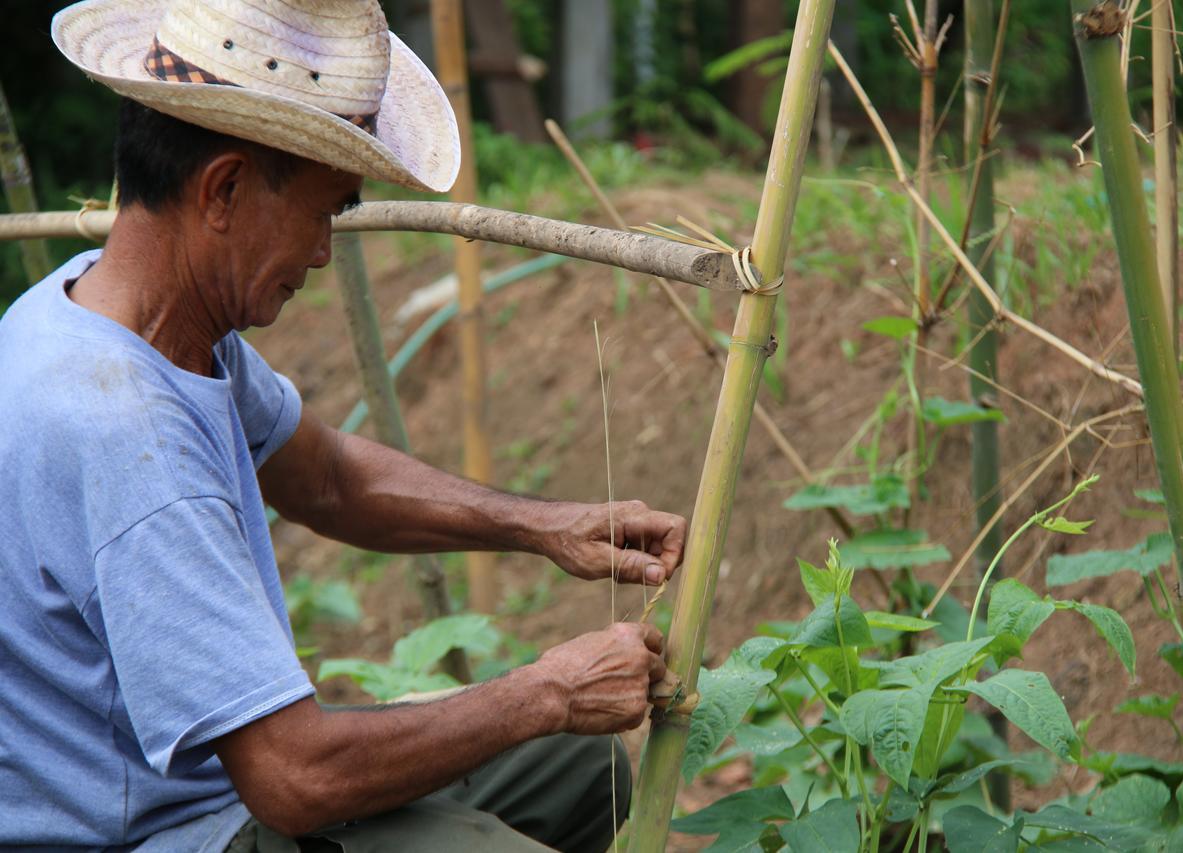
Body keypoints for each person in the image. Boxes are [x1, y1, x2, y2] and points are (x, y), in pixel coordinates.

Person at [0, 1, 687, 850]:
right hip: (164, 832)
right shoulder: (124, 431)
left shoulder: (116, 317)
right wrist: (548, 691)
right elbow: (294, 776)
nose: (325, 251)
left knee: (582, 770)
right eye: (326, 211)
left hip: (225, 789)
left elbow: (329, 479)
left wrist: (551, 527)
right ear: (224, 190)